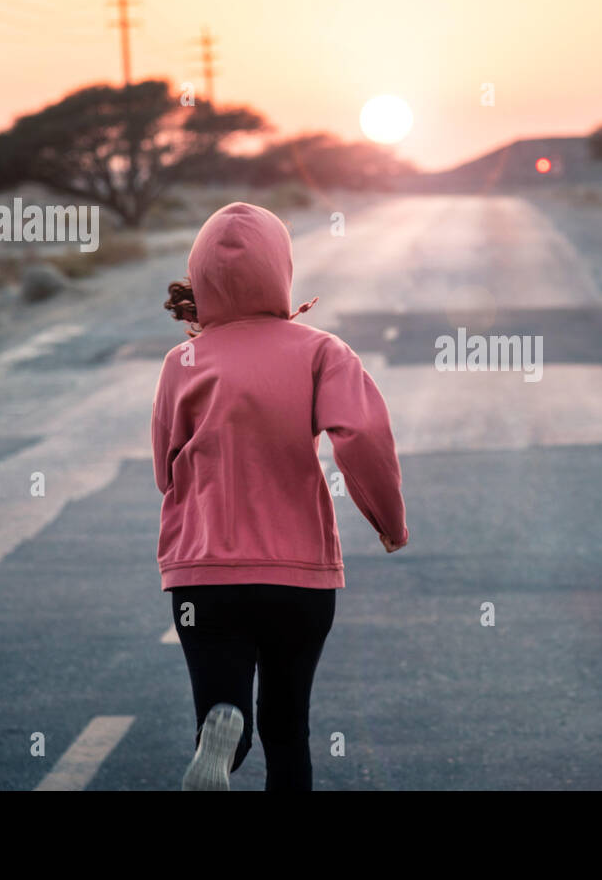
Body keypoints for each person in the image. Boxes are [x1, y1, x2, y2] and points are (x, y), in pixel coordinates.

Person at [152, 201, 408, 791]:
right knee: (289, 727)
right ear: (280, 269)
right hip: (298, 576)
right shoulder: (321, 351)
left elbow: (166, 469)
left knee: (224, 701)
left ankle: (223, 732)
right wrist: (387, 522)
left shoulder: (181, 361)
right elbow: (362, 435)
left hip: (204, 576)